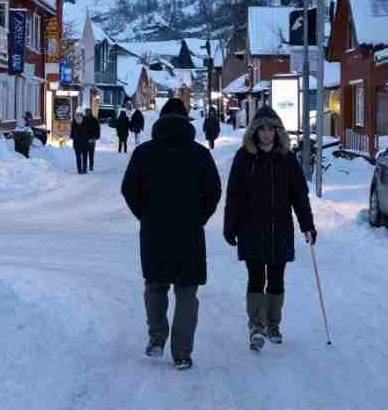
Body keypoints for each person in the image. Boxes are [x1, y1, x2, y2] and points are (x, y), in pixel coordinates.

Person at [121, 98, 222, 371]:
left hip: (155, 232)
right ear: (186, 121)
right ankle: (182, 353)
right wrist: (199, 216)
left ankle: (156, 338)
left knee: (156, 286)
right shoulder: (200, 154)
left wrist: (145, 214)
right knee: (187, 292)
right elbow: (214, 192)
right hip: (190, 232)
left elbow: (129, 190)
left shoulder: (144, 153)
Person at [222, 106, 317, 352]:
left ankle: (273, 324)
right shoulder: (244, 157)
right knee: (256, 278)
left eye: (271, 129)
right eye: (262, 129)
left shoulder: (286, 158)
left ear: (277, 132)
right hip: (250, 228)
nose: (266, 134)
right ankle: (256, 325)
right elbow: (234, 195)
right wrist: (230, 225)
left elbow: (299, 195)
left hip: (280, 229)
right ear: (255, 131)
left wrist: (307, 224)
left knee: (276, 279)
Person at [70, 109, 91, 175]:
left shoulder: (74, 121)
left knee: (78, 157)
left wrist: (73, 137)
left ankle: (79, 169)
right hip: (85, 142)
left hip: (77, 143)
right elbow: (88, 132)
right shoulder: (86, 121)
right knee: (85, 156)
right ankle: (84, 169)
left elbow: (72, 133)